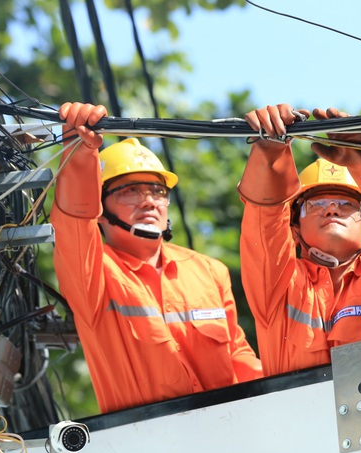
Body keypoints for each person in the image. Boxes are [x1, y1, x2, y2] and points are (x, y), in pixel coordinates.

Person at [51, 102, 263, 413]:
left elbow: (239, 356)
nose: (149, 201)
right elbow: (72, 223)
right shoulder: (94, 273)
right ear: (99, 209)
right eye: (130, 191)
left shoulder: (208, 270)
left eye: (157, 191)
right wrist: (79, 152)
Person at [238, 104, 361, 376]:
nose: (332, 209)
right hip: (293, 417)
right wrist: (269, 155)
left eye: (346, 203)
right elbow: (264, 224)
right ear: (294, 229)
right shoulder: (279, 283)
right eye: (316, 204)